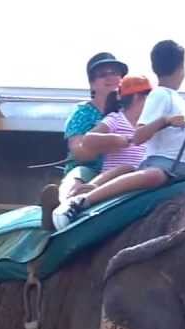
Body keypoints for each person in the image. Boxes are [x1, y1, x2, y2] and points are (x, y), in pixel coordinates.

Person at [50, 39, 185, 231]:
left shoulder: (180, 102)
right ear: (181, 68)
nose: (146, 101)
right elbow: (136, 136)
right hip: (160, 165)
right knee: (146, 174)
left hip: (184, 168)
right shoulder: (152, 99)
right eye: (143, 96)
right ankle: (79, 201)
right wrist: (162, 122)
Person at [39, 52, 130, 230]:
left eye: (116, 73)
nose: (111, 77)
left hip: (123, 171)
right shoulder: (83, 112)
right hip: (92, 171)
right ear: (92, 83)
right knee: (78, 174)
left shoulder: (132, 109)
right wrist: (110, 142)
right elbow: (79, 152)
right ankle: (59, 205)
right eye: (103, 74)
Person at [79, 74, 154, 192]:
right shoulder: (116, 119)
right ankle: (87, 190)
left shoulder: (150, 124)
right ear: (137, 97)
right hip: (112, 179)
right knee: (127, 169)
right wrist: (115, 139)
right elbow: (86, 141)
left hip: (140, 179)